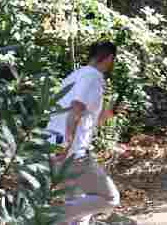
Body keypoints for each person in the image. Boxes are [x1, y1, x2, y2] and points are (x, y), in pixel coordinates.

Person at [47, 41, 123, 225]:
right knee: (109, 198)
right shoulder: (93, 76)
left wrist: (110, 113)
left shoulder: (75, 75)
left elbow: (87, 120)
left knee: (77, 208)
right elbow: (76, 109)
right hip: (71, 152)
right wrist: (66, 143)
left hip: (54, 146)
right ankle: (46, 219)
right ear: (110, 58)